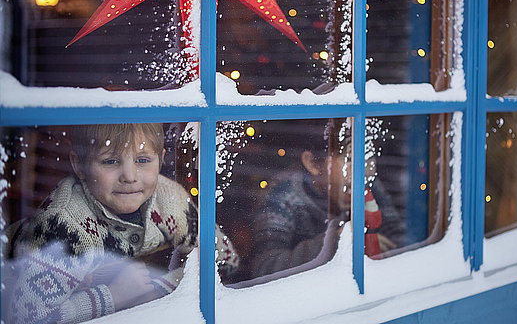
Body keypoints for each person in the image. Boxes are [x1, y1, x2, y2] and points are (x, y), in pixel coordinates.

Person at [4, 123, 237, 324]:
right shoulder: (63, 225)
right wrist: (113, 295)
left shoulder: (170, 198)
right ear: (79, 164)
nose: (129, 175)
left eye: (143, 160)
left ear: (162, 159)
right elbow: (27, 318)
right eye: (111, 161)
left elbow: (226, 260)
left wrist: (164, 283)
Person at [250, 122, 403, 279]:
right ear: (312, 163)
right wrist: (335, 242)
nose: (365, 169)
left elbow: (400, 236)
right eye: (349, 159)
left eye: (368, 156)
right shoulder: (281, 195)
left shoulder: (365, 182)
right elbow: (264, 268)